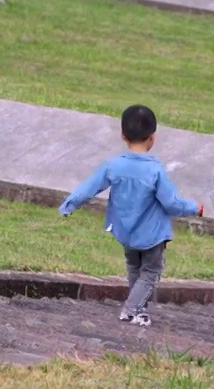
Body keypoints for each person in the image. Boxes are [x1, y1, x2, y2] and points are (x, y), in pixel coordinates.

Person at [59, 104, 203, 327]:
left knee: (134, 268)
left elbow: (89, 187)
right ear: (152, 137)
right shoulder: (155, 171)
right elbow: (172, 203)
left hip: (125, 231)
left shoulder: (113, 166)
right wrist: (195, 208)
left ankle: (139, 311)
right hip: (152, 234)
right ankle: (132, 308)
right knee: (151, 272)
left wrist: (69, 204)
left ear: (123, 136)